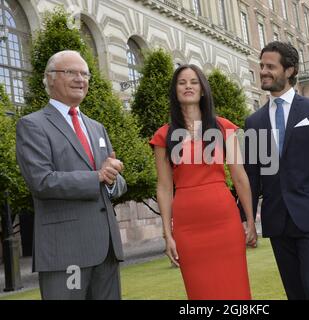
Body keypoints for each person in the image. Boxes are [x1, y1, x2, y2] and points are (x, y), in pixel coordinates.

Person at [241, 41, 309, 300]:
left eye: (270, 66)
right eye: (262, 66)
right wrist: (245, 219)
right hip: (277, 220)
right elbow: (252, 176)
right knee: (295, 293)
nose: (263, 71)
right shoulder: (253, 122)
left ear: (290, 70)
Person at [15, 50, 127, 300]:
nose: (80, 79)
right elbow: (41, 182)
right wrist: (98, 177)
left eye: (85, 74)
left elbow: (116, 183)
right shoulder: (33, 125)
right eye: (71, 72)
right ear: (50, 78)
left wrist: (111, 179)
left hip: (107, 252)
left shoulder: (97, 127)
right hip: (66, 253)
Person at [150, 64, 257, 300]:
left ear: (202, 90)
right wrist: (168, 234)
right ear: (175, 91)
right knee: (200, 293)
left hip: (225, 221)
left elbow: (239, 176)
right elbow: (164, 188)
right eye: (181, 82)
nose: (188, 86)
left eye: (193, 82)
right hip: (187, 226)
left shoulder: (224, 128)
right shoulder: (163, 136)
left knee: (235, 290)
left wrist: (250, 220)